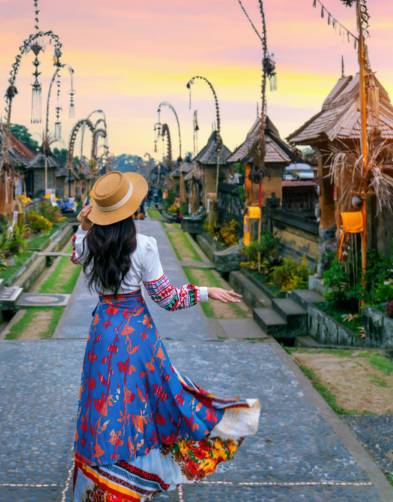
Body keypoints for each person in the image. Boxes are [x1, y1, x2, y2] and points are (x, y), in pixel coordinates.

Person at [70, 171, 260, 501]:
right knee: (147, 403)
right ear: (130, 210)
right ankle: (139, 476)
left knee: (104, 404)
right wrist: (206, 291)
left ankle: (105, 487)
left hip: (102, 334)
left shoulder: (87, 243)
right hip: (138, 336)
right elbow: (167, 298)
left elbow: (76, 253)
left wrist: (84, 226)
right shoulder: (143, 245)